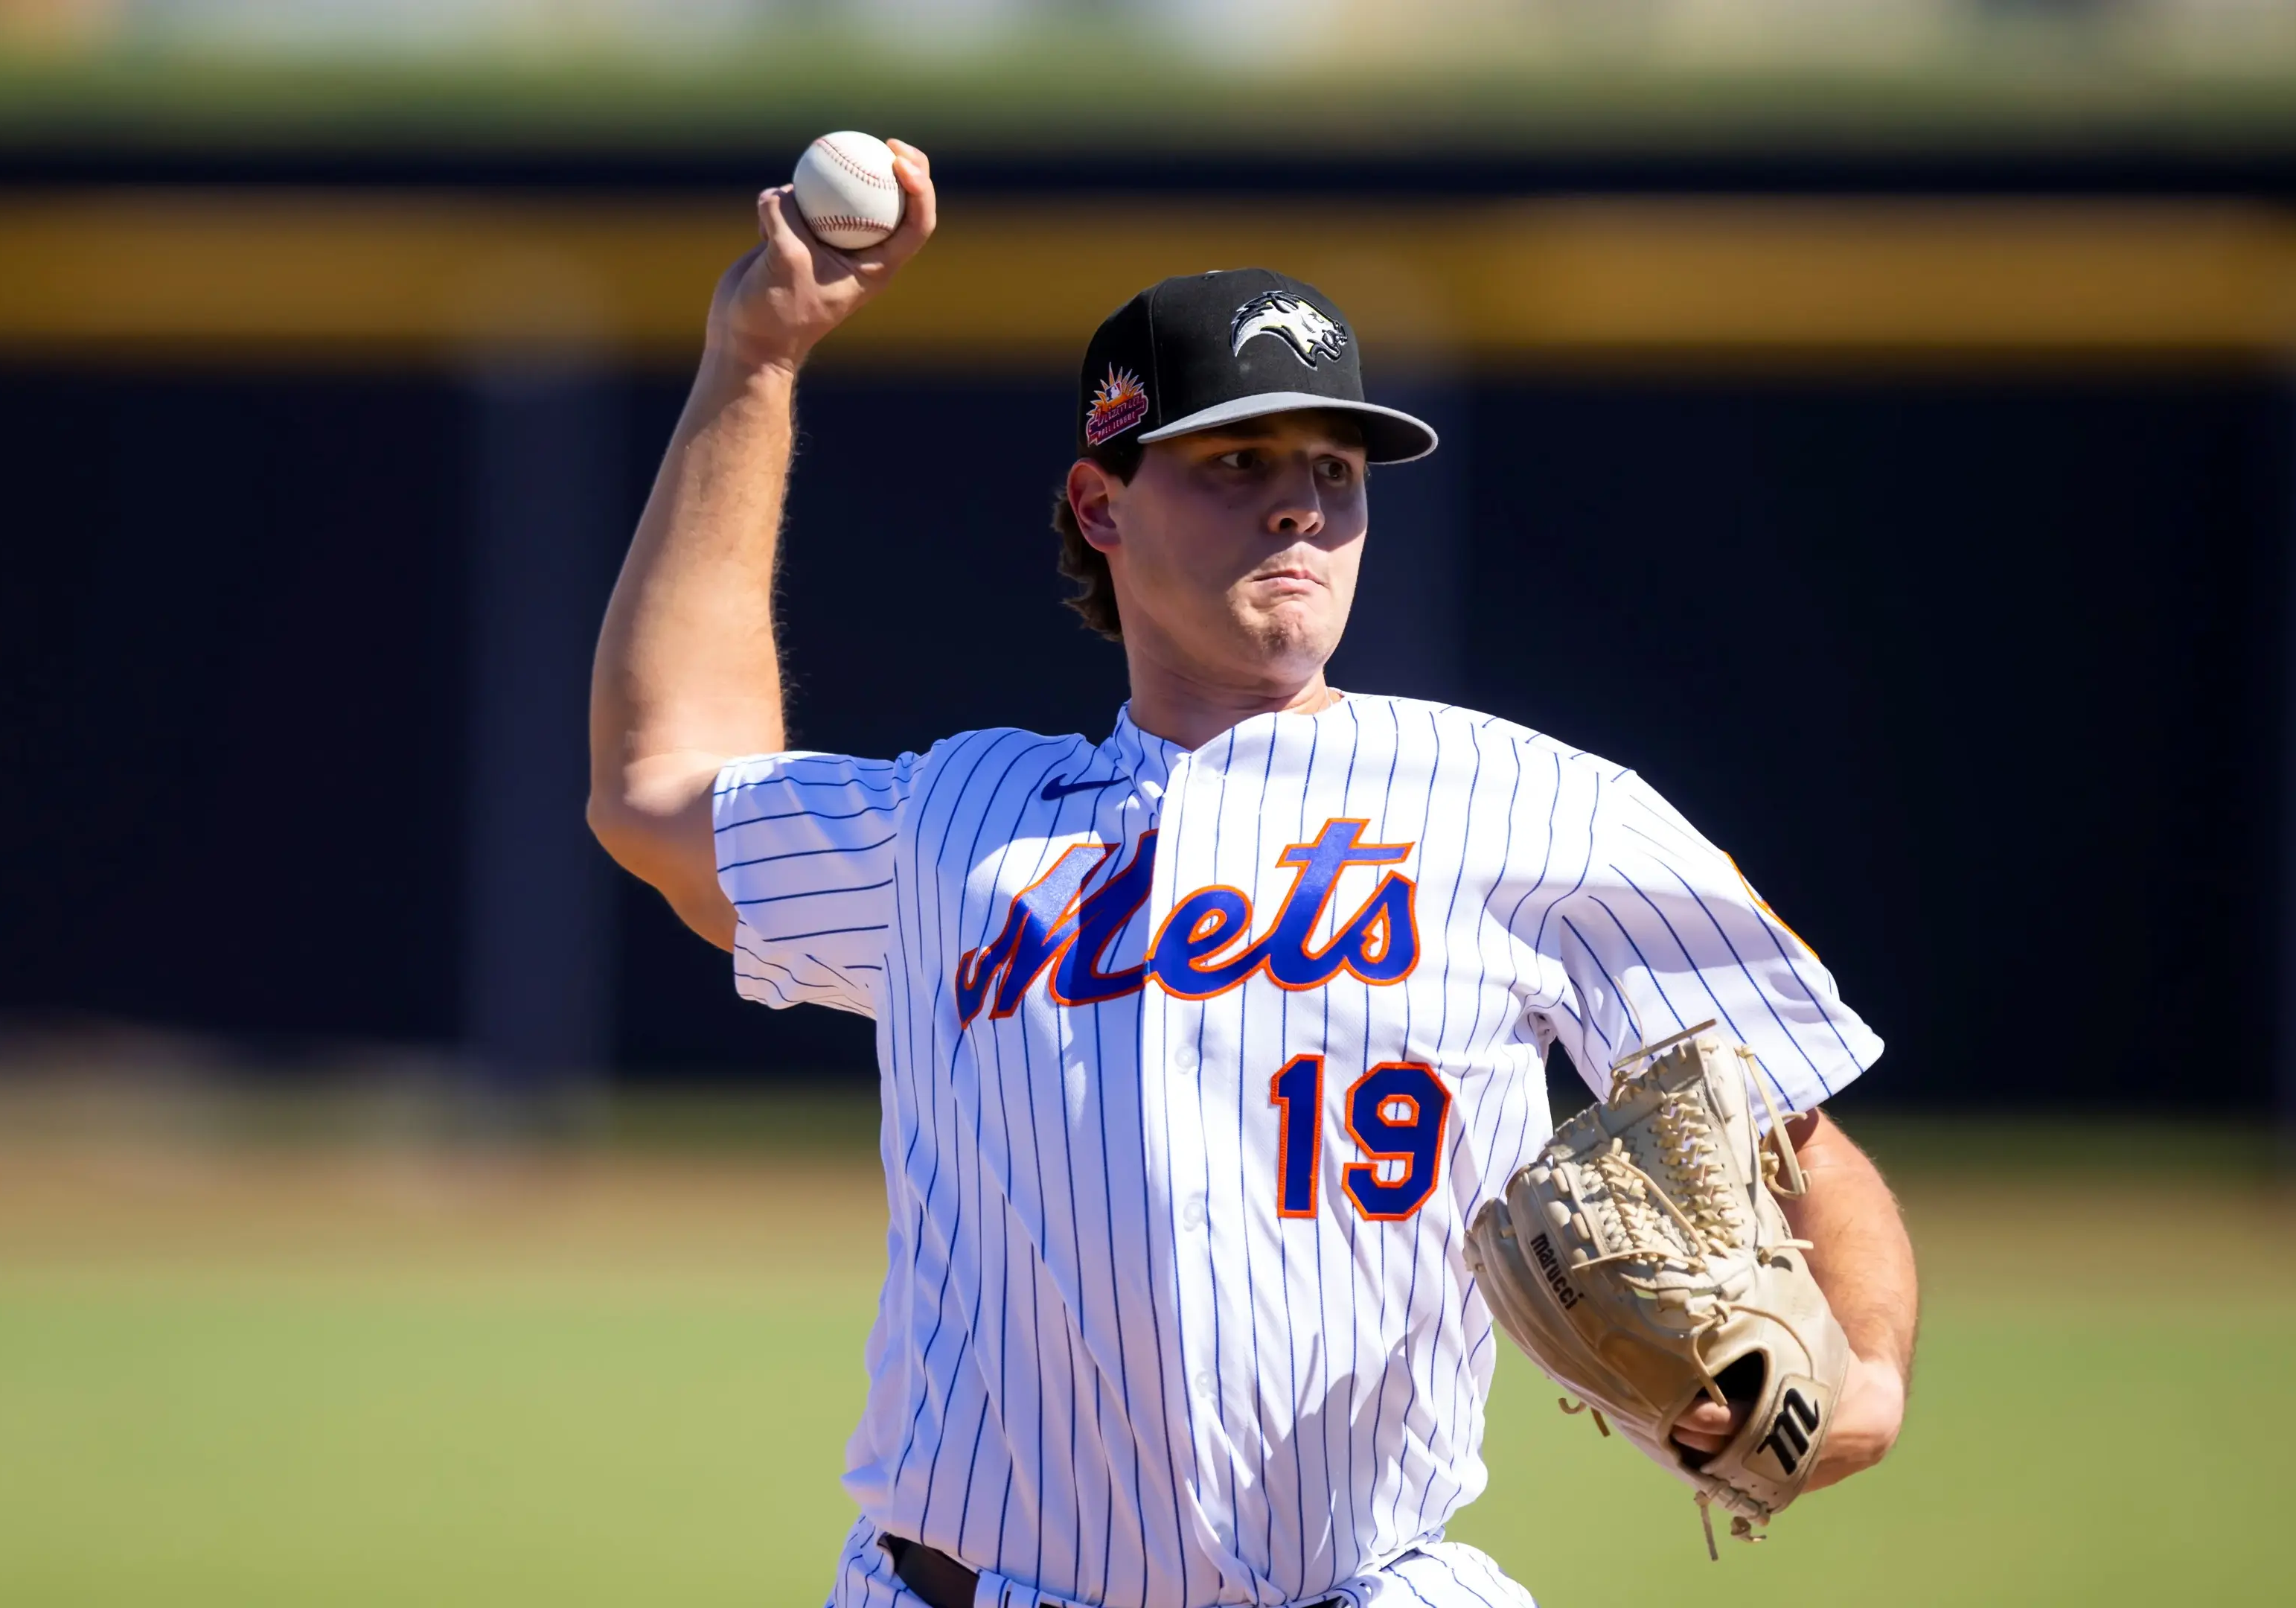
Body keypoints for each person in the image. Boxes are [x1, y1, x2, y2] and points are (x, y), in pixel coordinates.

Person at [587, 141, 1918, 1608]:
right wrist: (755, 358)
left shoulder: (1537, 807)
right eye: (1237, 464)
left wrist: (1861, 1385)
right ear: (1101, 508)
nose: (1300, 508)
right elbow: (658, 785)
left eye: (1334, 473)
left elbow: (1797, 1133)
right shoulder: (957, 821)